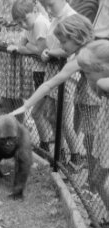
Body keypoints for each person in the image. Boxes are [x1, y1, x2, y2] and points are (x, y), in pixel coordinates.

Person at [10, 14, 109, 204]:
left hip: (102, 118)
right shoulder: (82, 58)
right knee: (97, 178)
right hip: (104, 120)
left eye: (64, 41)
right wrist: (26, 104)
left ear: (77, 36)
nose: (61, 45)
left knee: (98, 176)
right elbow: (51, 83)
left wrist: (101, 82)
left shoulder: (97, 56)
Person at [39, 0, 85, 167]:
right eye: (45, 6)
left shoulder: (71, 17)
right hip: (53, 69)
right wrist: (47, 52)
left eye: (50, 5)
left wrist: (49, 52)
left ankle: (76, 156)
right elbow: (52, 43)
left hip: (66, 73)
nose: (48, 9)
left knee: (64, 119)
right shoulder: (56, 18)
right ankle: (61, 152)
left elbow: (70, 49)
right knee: (50, 115)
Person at [9, 0, 50, 152]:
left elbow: (40, 50)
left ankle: (48, 147)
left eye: (25, 20)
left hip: (47, 73)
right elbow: (21, 46)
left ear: (34, 11)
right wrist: (30, 48)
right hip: (39, 71)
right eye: (19, 23)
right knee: (42, 113)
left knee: (38, 113)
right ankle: (45, 145)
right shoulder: (31, 25)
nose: (24, 25)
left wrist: (29, 48)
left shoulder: (39, 23)